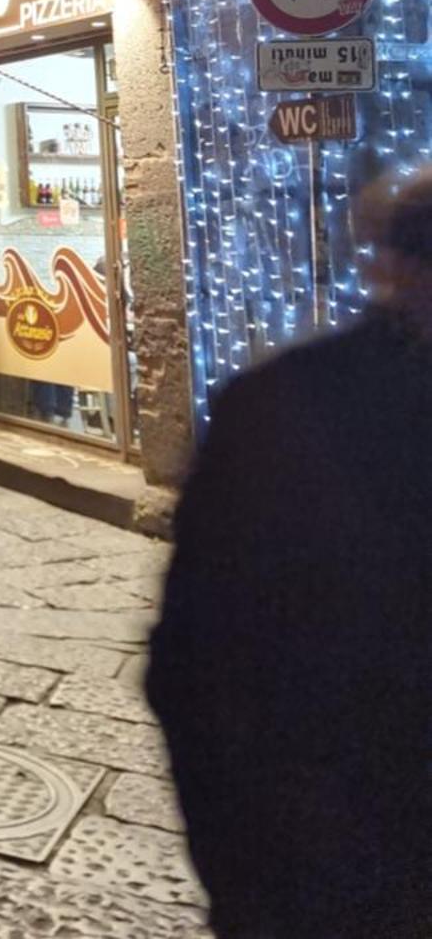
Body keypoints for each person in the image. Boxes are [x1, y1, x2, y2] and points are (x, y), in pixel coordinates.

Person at [148, 165, 432, 939]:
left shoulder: (281, 401)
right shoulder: (285, 407)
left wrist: (242, 870)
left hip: (319, 845)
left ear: (382, 264)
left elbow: (192, 663)